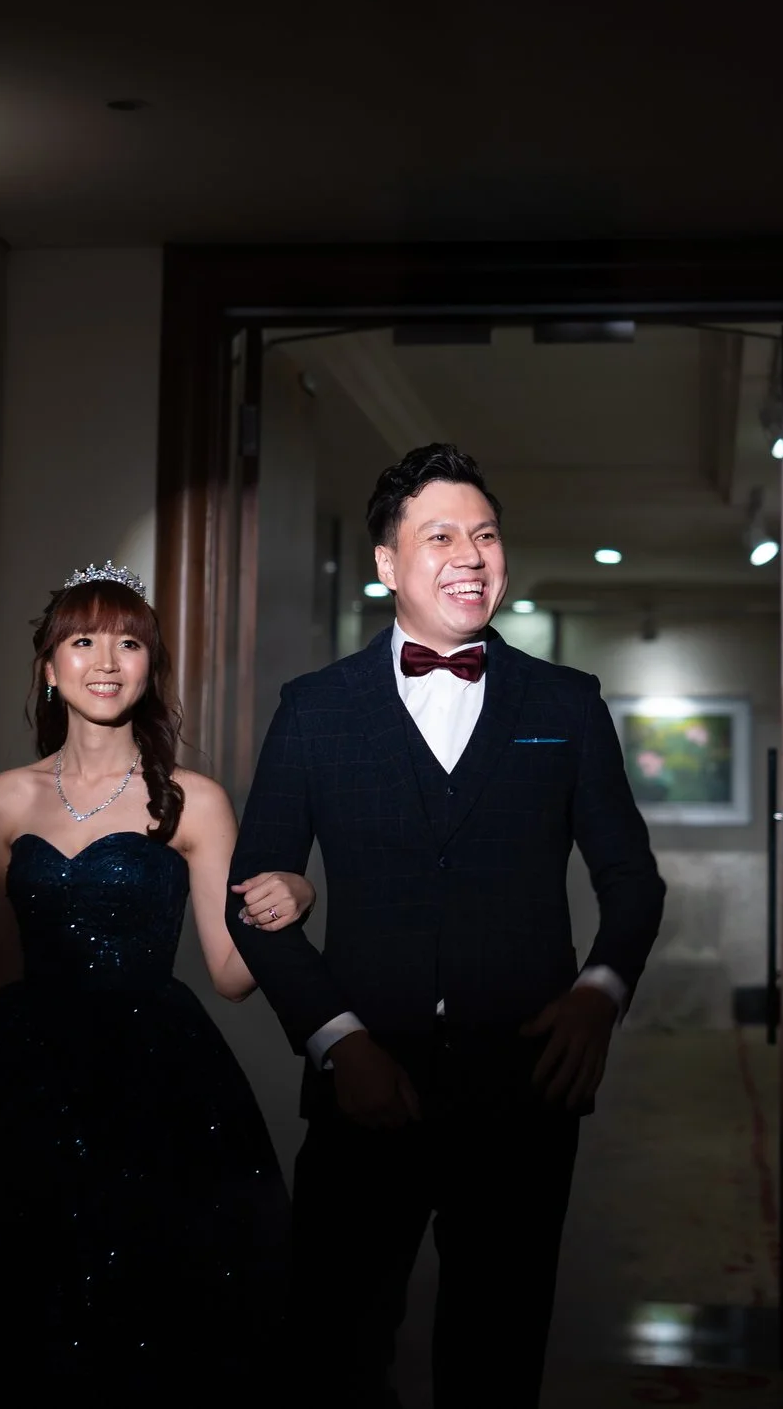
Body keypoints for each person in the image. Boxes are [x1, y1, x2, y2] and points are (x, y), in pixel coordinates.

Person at [226, 443, 669, 1409]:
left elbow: (632, 880)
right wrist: (341, 1044)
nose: (471, 553)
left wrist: (601, 992)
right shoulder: (313, 711)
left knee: (496, 1360)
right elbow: (249, 901)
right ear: (388, 563)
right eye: (441, 535)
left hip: (522, 1096)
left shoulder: (567, 704)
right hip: (360, 1097)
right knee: (334, 1355)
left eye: (486, 534)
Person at [0, 563, 317, 1405]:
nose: (107, 660)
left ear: (151, 667)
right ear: (50, 668)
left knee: (151, 1312)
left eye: (129, 642)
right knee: (10, 1305)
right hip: (26, 1078)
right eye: (83, 641)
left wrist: (293, 897)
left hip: (154, 1084)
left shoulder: (192, 801)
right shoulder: (4, 800)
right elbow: (2, 958)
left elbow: (231, 976)